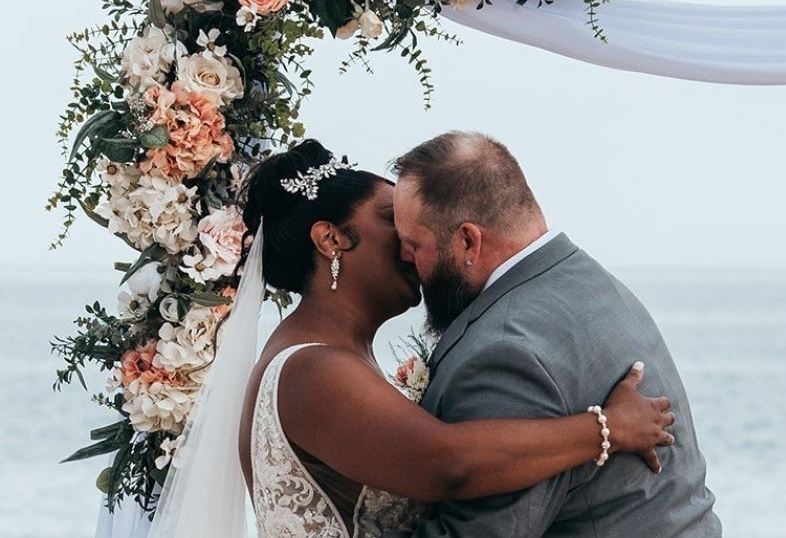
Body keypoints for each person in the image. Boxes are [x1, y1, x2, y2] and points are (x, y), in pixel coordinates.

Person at [147, 139, 675, 538]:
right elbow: (446, 464)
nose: (409, 245)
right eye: (390, 223)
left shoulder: (333, 356)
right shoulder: (310, 369)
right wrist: (606, 428)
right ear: (331, 239)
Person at [386, 131, 723, 537]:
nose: (404, 258)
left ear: (468, 241)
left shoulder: (504, 350)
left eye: (412, 244)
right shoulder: (585, 279)